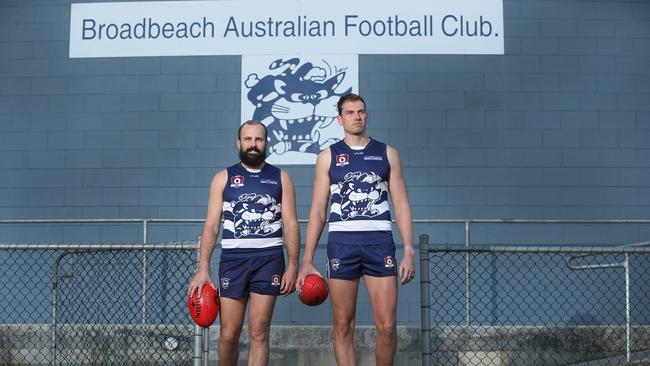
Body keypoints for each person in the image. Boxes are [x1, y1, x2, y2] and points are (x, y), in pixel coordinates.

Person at [297, 93, 415, 366]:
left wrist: (408, 250)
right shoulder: (327, 157)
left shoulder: (387, 153)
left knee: (386, 327)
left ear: (366, 115)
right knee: (343, 326)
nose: (357, 116)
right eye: (350, 112)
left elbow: (401, 204)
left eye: (361, 111)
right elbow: (317, 211)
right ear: (340, 119)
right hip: (342, 245)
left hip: (379, 243)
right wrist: (306, 260)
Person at [188, 120, 300, 366]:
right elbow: (211, 226)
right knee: (229, 336)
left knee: (259, 333)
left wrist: (293, 266)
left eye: (258, 139)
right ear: (238, 143)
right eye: (248, 139)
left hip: (269, 260)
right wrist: (203, 267)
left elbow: (291, 224)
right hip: (233, 261)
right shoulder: (223, 178)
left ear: (267, 143)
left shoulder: (281, 178)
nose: (253, 145)